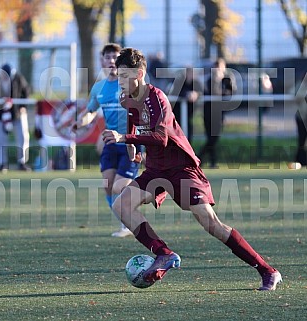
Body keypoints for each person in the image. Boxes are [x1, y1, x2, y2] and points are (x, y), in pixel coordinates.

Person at [102, 47, 282, 290]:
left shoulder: (157, 98)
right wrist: (135, 147)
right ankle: (164, 253)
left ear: (140, 73)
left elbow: (161, 138)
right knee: (121, 205)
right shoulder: (127, 97)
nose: (120, 81)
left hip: (181, 169)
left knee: (211, 224)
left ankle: (267, 271)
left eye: (125, 76)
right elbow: (133, 117)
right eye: (118, 75)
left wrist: (124, 139)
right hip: (156, 171)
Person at [75, 43, 141, 237]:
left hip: (130, 142)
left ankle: (130, 218)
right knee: (107, 184)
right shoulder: (98, 88)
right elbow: (91, 112)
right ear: (102, 61)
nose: (111, 61)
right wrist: (81, 122)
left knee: (121, 185)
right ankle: (125, 222)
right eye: (108, 57)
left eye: (115, 58)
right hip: (110, 142)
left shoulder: (129, 84)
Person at [198, 58, 236, 168]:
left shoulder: (226, 80)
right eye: (216, 67)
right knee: (211, 137)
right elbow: (214, 93)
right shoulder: (211, 80)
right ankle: (209, 161)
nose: (218, 70)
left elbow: (231, 92)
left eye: (221, 67)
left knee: (214, 138)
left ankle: (201, 159)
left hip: (219, 113)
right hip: (209, 113)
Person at [0, 63, 31, 172]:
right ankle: (2, 164)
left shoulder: (18, 78)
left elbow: (26, 91)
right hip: (0, 115)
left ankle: (22, 162)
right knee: (0, 140)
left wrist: (23, 107)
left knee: (23, 136)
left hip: (17, 113)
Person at [168, 67, 203, 143]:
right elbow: (175, 92)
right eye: (189, 73)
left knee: (188, 133)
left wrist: (196, 94)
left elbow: (201, 91)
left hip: (189, 113)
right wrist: (187, 94)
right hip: (178, 112)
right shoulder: (179, 81)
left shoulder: (196, 82)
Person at [288, 74, 307, 170]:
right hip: (301, 117)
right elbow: (294, 95)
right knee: (302, 140)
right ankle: (301, 161)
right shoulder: (300, 85)